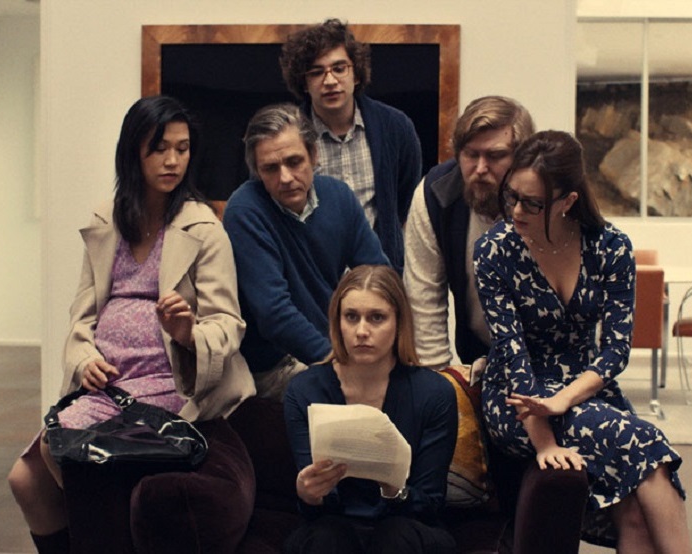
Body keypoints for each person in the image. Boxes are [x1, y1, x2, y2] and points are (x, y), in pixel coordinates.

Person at [7, 95, 257, 553]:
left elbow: (227, 323)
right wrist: (84, 358)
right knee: (25, 478)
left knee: (78, 463)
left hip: (170, 385)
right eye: (159, 148)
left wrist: (187, 333)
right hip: (108, 385)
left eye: (182, 148)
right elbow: (82, 314)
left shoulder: (203, 227)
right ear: (132, 152)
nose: (173, 160)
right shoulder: (107, 221)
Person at [475, 130, 690, 551]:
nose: (516, 211)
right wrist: (544, 441)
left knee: (635, 511)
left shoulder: (610, 247)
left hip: (585, 388)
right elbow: (513, 354)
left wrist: (565, 399)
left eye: (532, 203)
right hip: (517, 399)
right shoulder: (494, 251)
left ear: (568, 201)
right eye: (512, 196)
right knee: (647, 446)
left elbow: (616, 349)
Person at [283, 264, 458, 554]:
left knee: (396, 535)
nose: (362, 331)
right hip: (334, 526)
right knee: (326, 537)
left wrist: (395, 491)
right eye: (351, 317)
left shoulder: (435, 392)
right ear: (337, 321)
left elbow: (430, 503)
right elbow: (315, 509)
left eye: (377, 318)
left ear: (399, 322)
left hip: (407, 525)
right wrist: (309, 493)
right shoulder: (304, 390)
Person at [223, 103, 389, 401]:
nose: (286, 177)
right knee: (357, 398)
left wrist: (390, 351)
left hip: (333, 344)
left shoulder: (339, 195)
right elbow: (274, 313)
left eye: (294, 161)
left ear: (313, 155)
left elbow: (380, 278)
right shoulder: (245, 209)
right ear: (257, 171)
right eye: (270, 168)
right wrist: (339, 364)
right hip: (275, 361)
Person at [280, 18, 422, 274]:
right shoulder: (286, 136)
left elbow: (404, 201)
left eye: (339, 68)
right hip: (312, 275)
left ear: (355, 74)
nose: (330, 80)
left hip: (378, 274)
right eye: (316, 72)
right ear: (304, 83)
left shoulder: (396, 127)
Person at [403, 95, 535, 370]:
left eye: (495, 156)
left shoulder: (550, 197)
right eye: (471, 155)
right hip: (477, 357)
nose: (480, 168)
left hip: (549, 360)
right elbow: (424, 300)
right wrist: (438, 380)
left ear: (522, 158)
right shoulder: (435, 195)